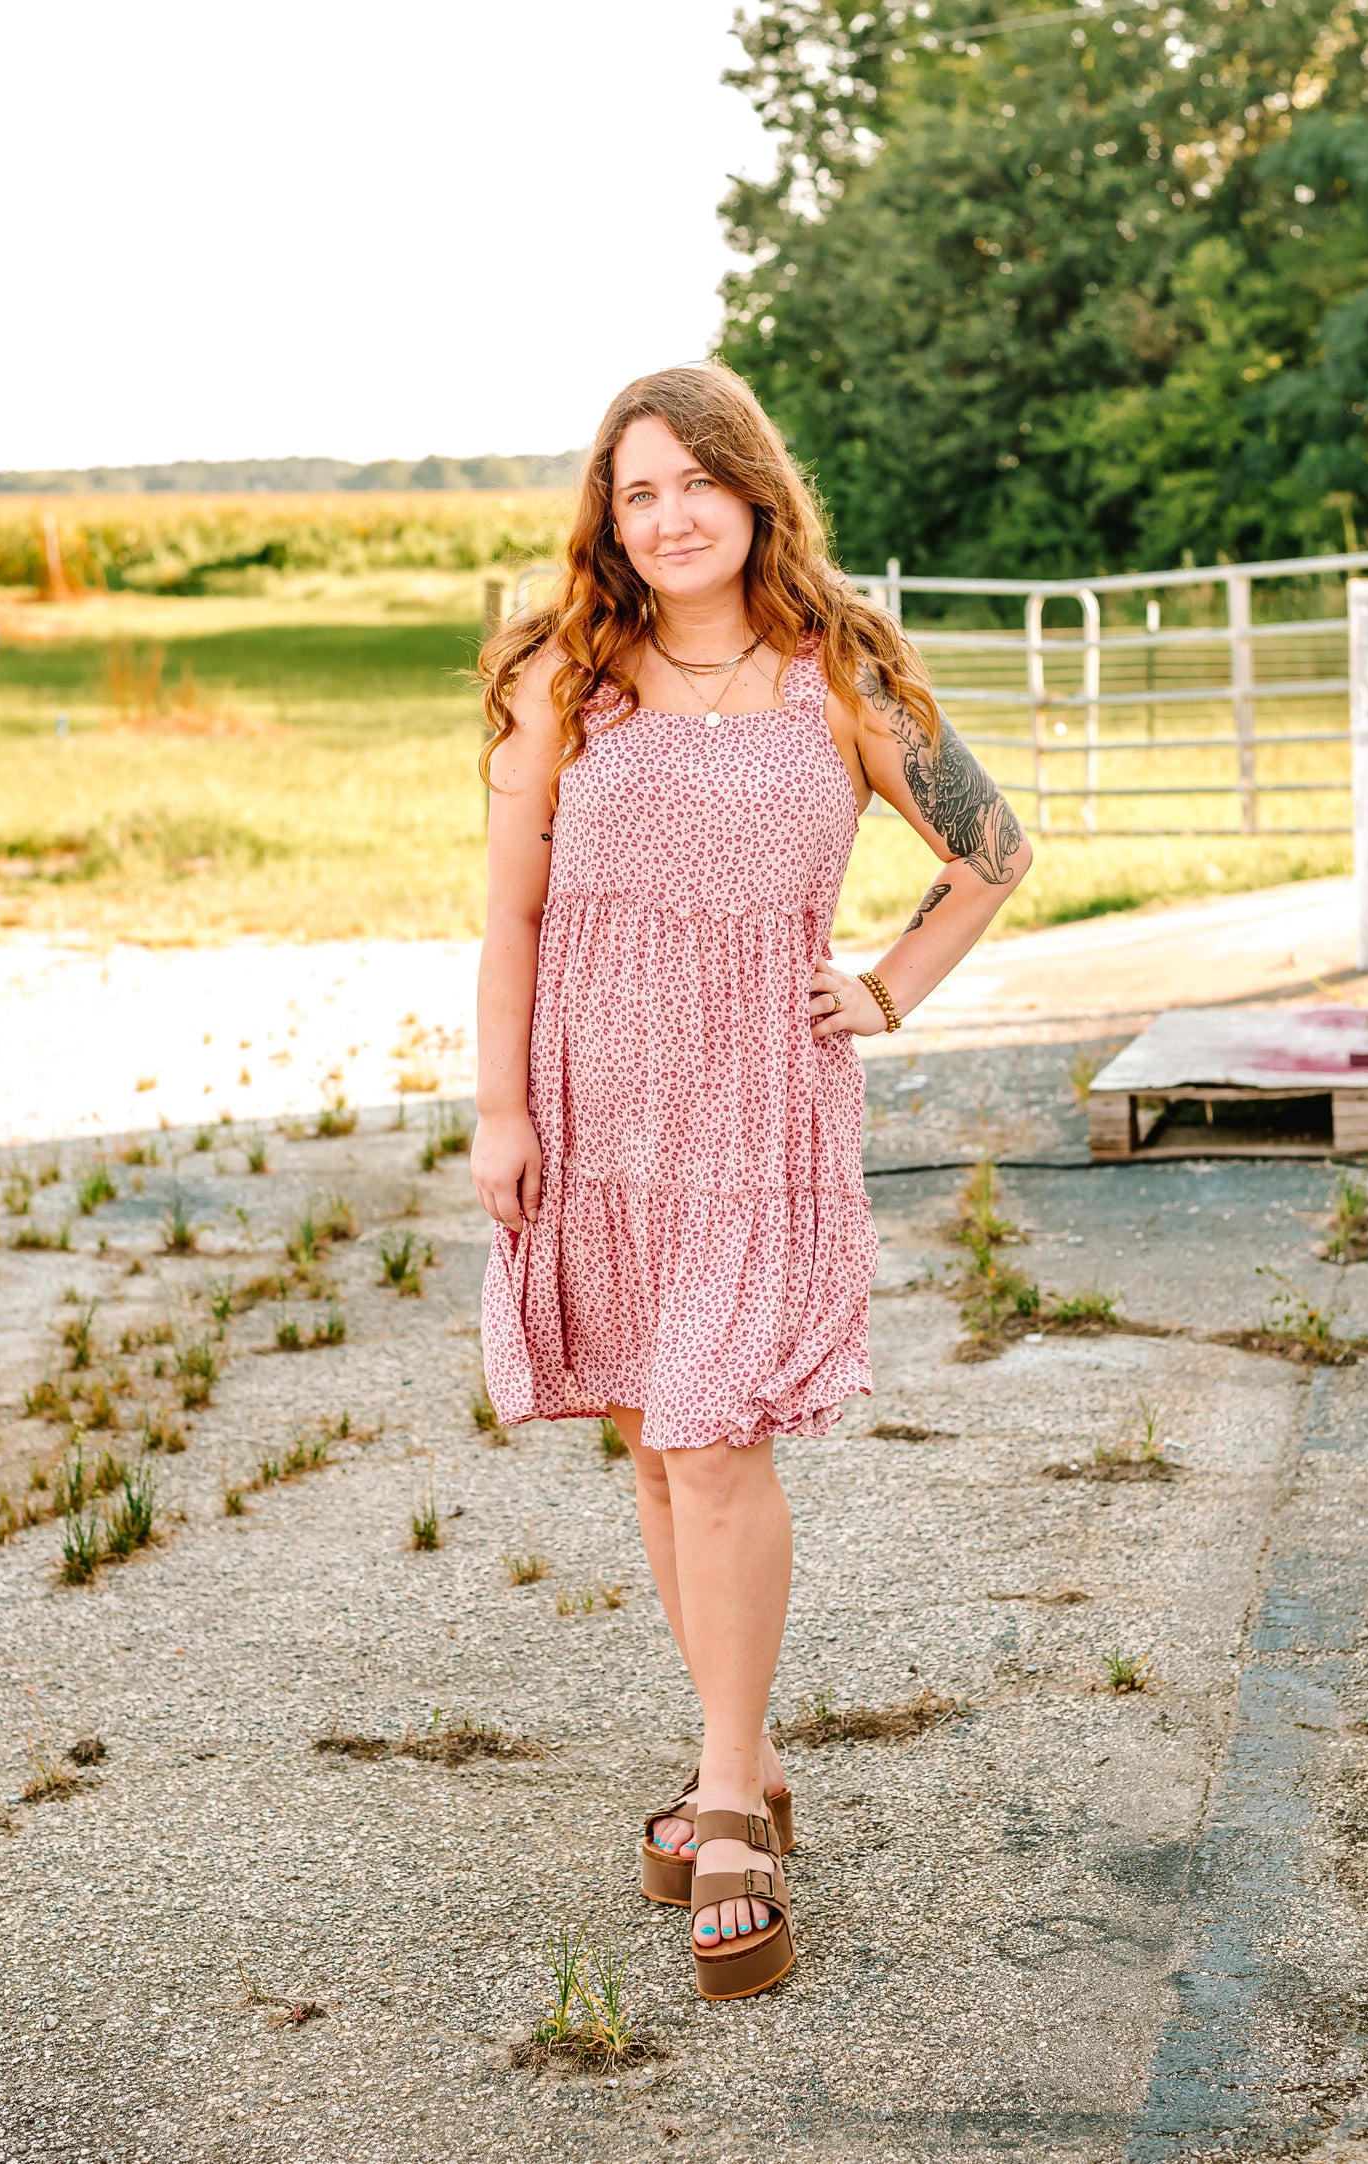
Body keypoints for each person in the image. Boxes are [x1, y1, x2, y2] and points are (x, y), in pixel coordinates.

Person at [471, 362, 1031, 2000]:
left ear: (751, 489)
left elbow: (991, 851)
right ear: (609, 516)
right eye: (634, 492)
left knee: (713, 1439)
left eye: (692, 483)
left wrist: (886, 988)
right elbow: (508, 918)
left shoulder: (834, 669)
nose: (667, 516)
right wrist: (500, 1114)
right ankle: (748, 1753)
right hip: (592, 1104)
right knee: (660, 1441)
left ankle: (727, 1799)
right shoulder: (557, 678)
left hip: (755, 1101)